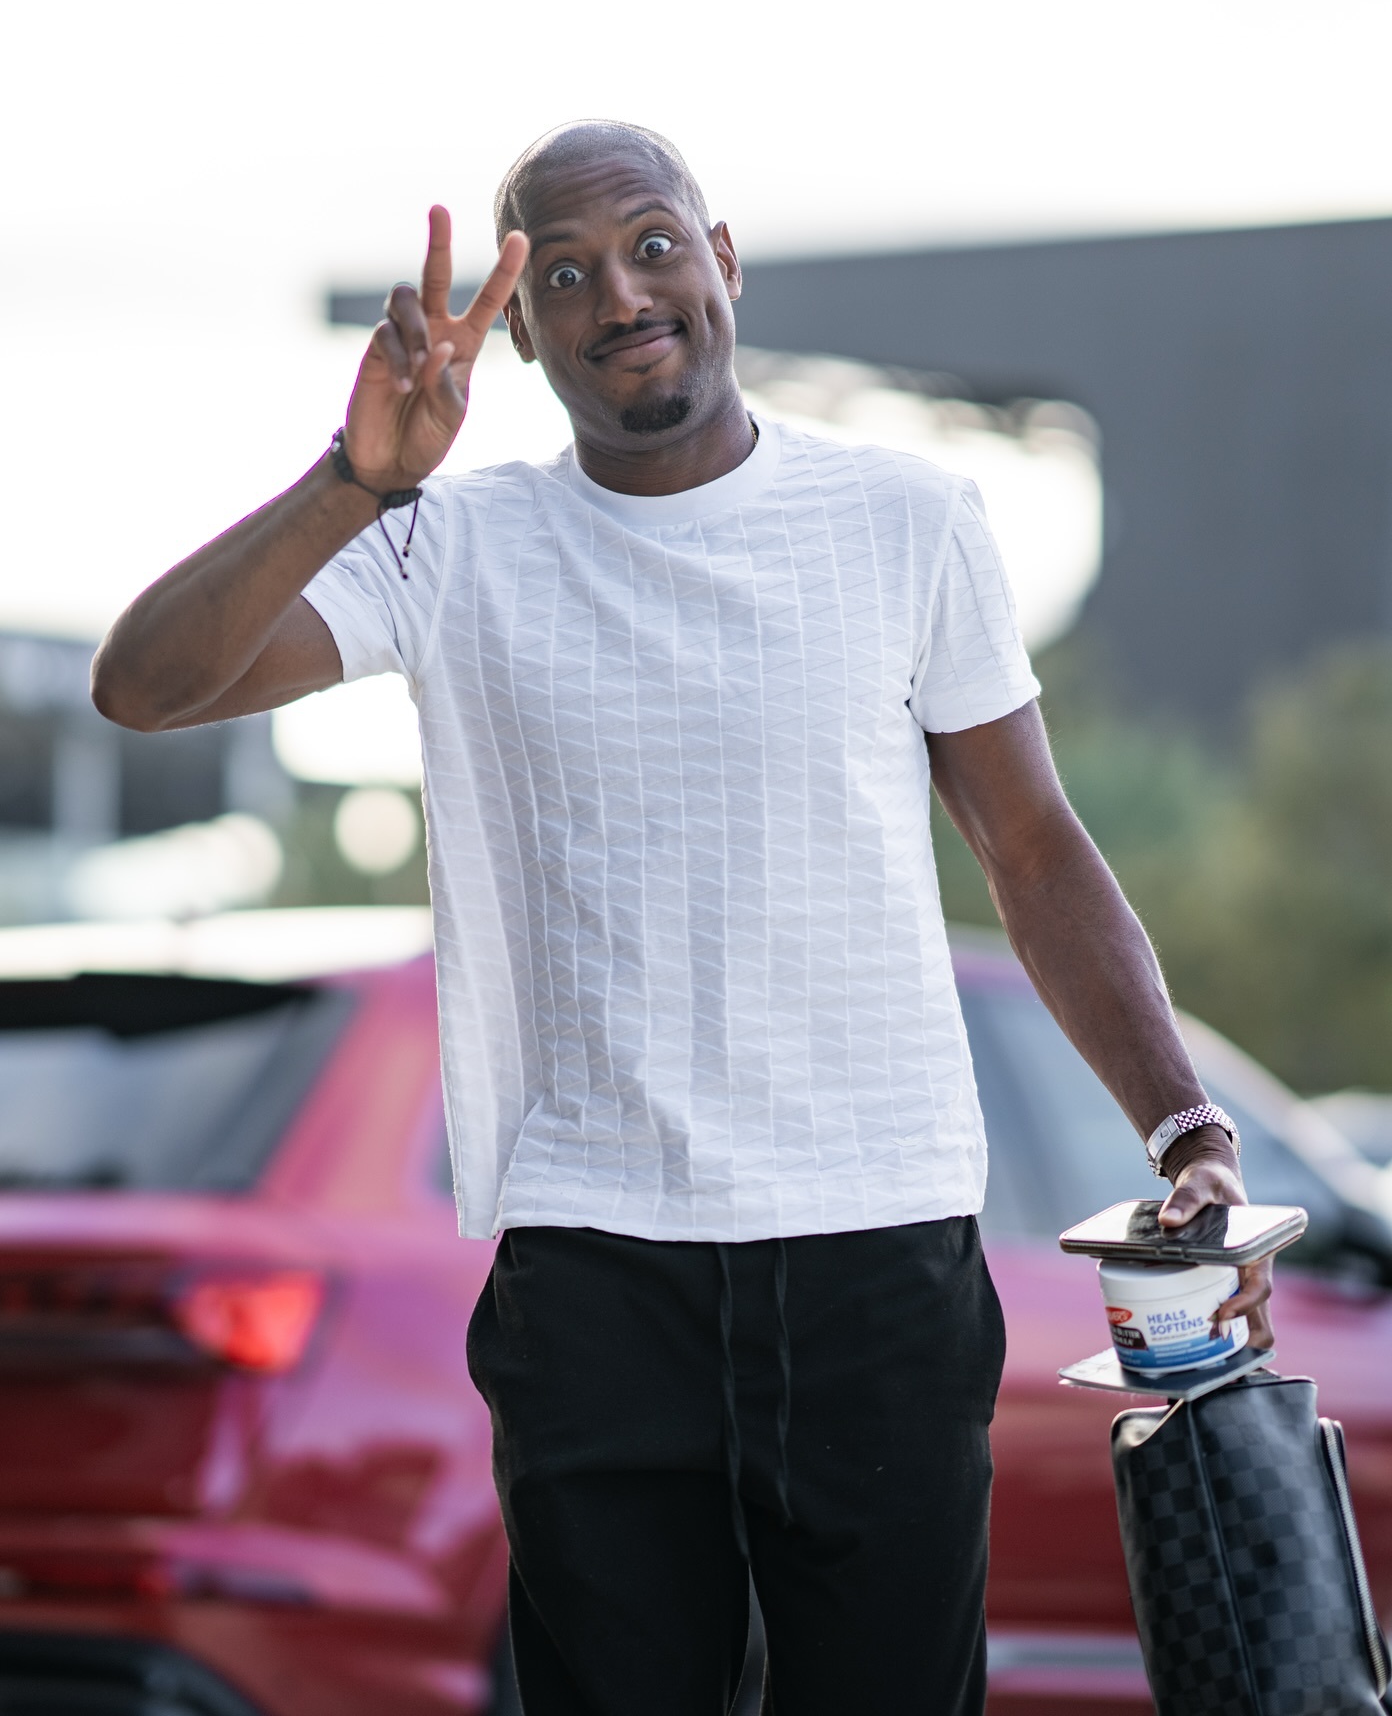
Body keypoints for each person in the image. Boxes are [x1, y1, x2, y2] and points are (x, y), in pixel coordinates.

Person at [93, 121, 1273, 1716]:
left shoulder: (906, 520)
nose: (621, 295)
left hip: (877, 1259)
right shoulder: (448, 543)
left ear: (723, 261)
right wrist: (355, 482)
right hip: (595, 1275)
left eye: (653, 246)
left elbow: (1032, 846)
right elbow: (144, 685)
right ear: (523, 335)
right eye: (564, 275)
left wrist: (1184, 1123)